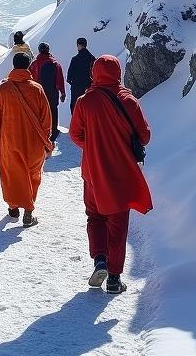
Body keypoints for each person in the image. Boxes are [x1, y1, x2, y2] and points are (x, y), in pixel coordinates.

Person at [69, 55, 153, 295]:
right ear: (118, 73)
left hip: (93, 172)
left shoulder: (85, 102)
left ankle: (100, 261)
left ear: (95, 73)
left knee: (95, 217)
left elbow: (76, 136)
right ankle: (114, 279)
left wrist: (95, 145)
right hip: (122, 172)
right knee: (117, 224)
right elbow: (144, 137)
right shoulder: (129, 100)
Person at [0, 52, 54, 227]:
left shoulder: (2, 90)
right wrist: (44, 138)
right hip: (34, 143)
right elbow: (46, 119)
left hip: (10, 141)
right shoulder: (37, 89)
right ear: (28, 66)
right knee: (33, 175)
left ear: (13, 65)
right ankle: (29, 212)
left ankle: (13, 206)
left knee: (11, 174)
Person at [29, 43, 66, 142]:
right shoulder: (55, 64)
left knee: (40, 113)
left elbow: (30, 78)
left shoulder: (34, 63)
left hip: (38, 93)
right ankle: (53, 132)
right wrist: (62, 92)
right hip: (52, 94)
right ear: (48, 50)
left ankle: (40, 132)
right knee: (53, 111)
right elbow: (60, 79)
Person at [67, 37, 96, 114]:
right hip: (89, 89)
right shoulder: (92, 59)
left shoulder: (75, 59)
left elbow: (68, 77)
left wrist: (75, 83)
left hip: (76, 90)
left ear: (78, 45)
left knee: (76, 110)